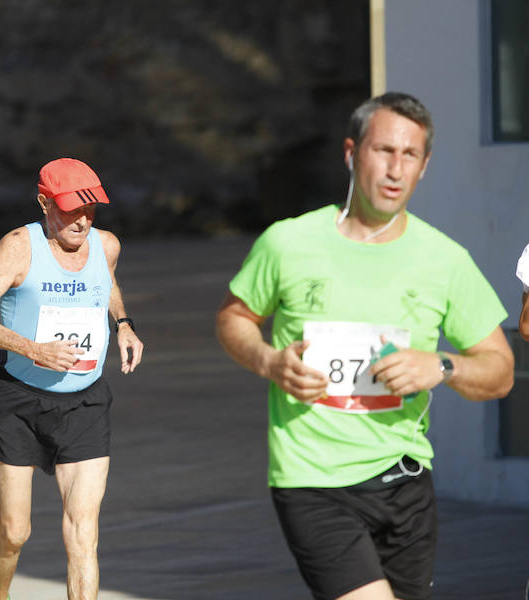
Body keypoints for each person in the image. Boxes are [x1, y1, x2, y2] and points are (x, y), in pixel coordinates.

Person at [215, 92, 514, 600]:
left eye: (410, 155)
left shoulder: (446, 260)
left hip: (405, 480)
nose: (396, 169)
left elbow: (500, 370)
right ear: (352, 153)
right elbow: (234, 317)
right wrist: (269, 360)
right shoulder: (288, 242)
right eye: (384, 151)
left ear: (424, 166)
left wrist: (442, 366)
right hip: (311, 478)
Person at [0, 157, 144, 600]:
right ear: (44, 203)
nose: (82, 221)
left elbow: (107, 284)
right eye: (70, 209)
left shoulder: (107, 245)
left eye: (90, 210)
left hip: (85, 403)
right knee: (15, 532)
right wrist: (34, 349)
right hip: (20, 402)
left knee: (83, 533)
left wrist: (123, 324)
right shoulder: (18, 248)